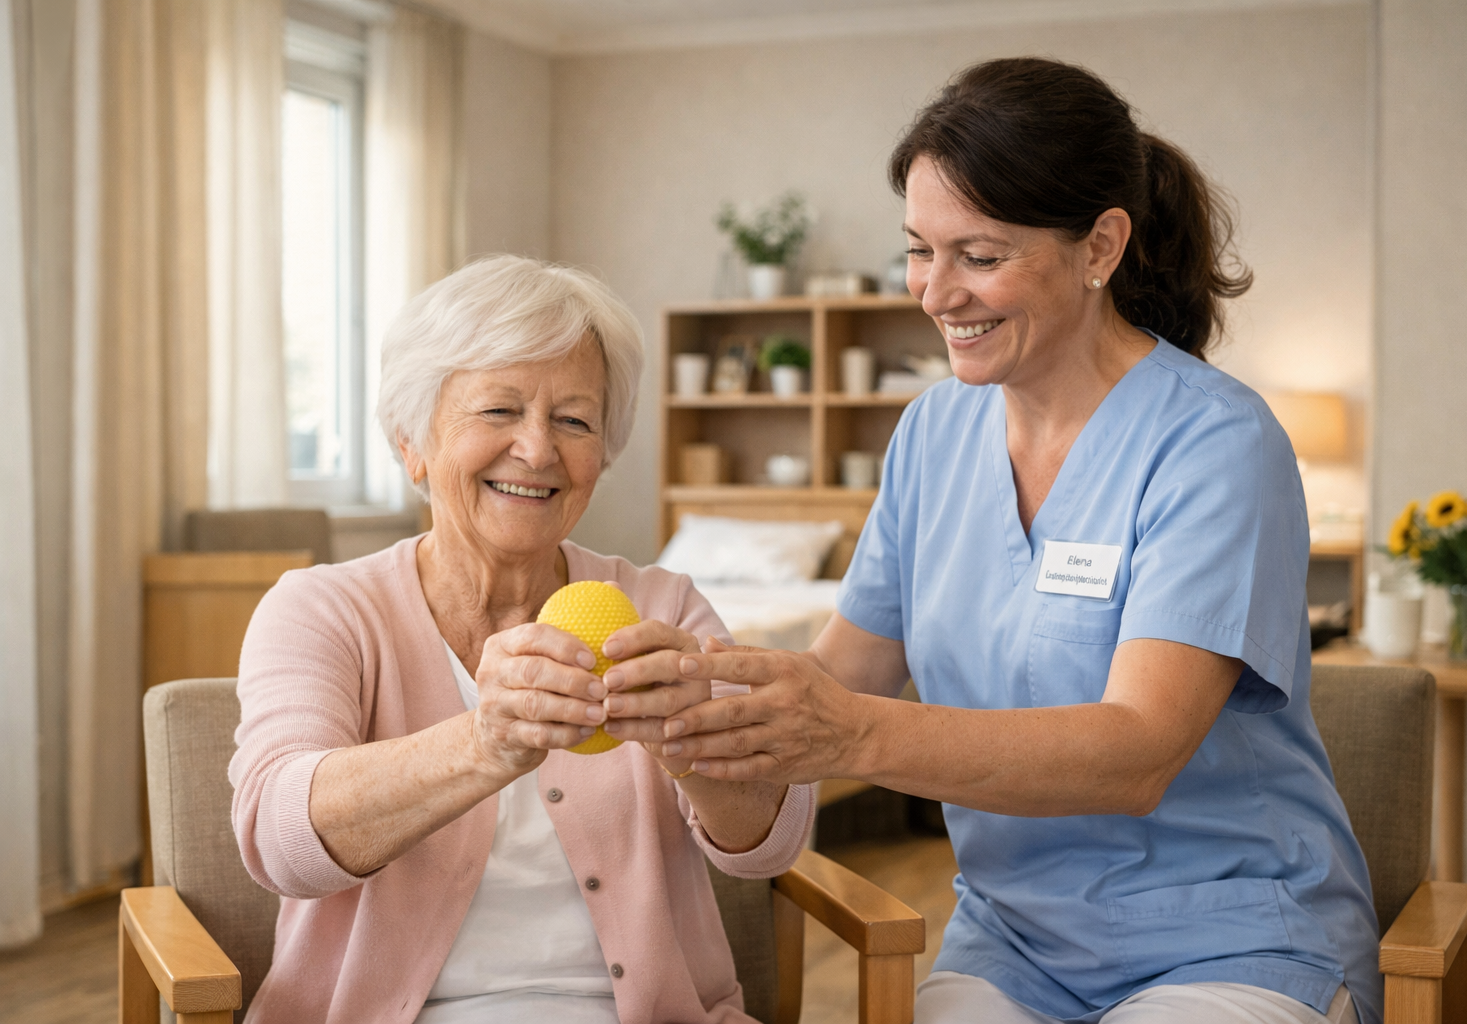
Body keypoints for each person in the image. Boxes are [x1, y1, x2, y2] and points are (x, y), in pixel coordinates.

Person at [611, 58, 1382, 1024]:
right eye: (919, 251)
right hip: (1014, 944)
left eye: (978, 256)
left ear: (1101, 246)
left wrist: (849, 731)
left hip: (1229, 938)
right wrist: (700, 696)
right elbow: (843, 676)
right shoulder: (933, 436)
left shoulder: (1216, 443)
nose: (936, 295)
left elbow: (1136, 753)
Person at [229, 255, 814, 1024]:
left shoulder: (662, 604)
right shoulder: (322, 609)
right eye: (499, 411)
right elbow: (277, 840)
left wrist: (694, 745)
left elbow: (772, 843)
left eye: (574, 419)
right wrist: (483, 744)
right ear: (414, 443)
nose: (538, 450)